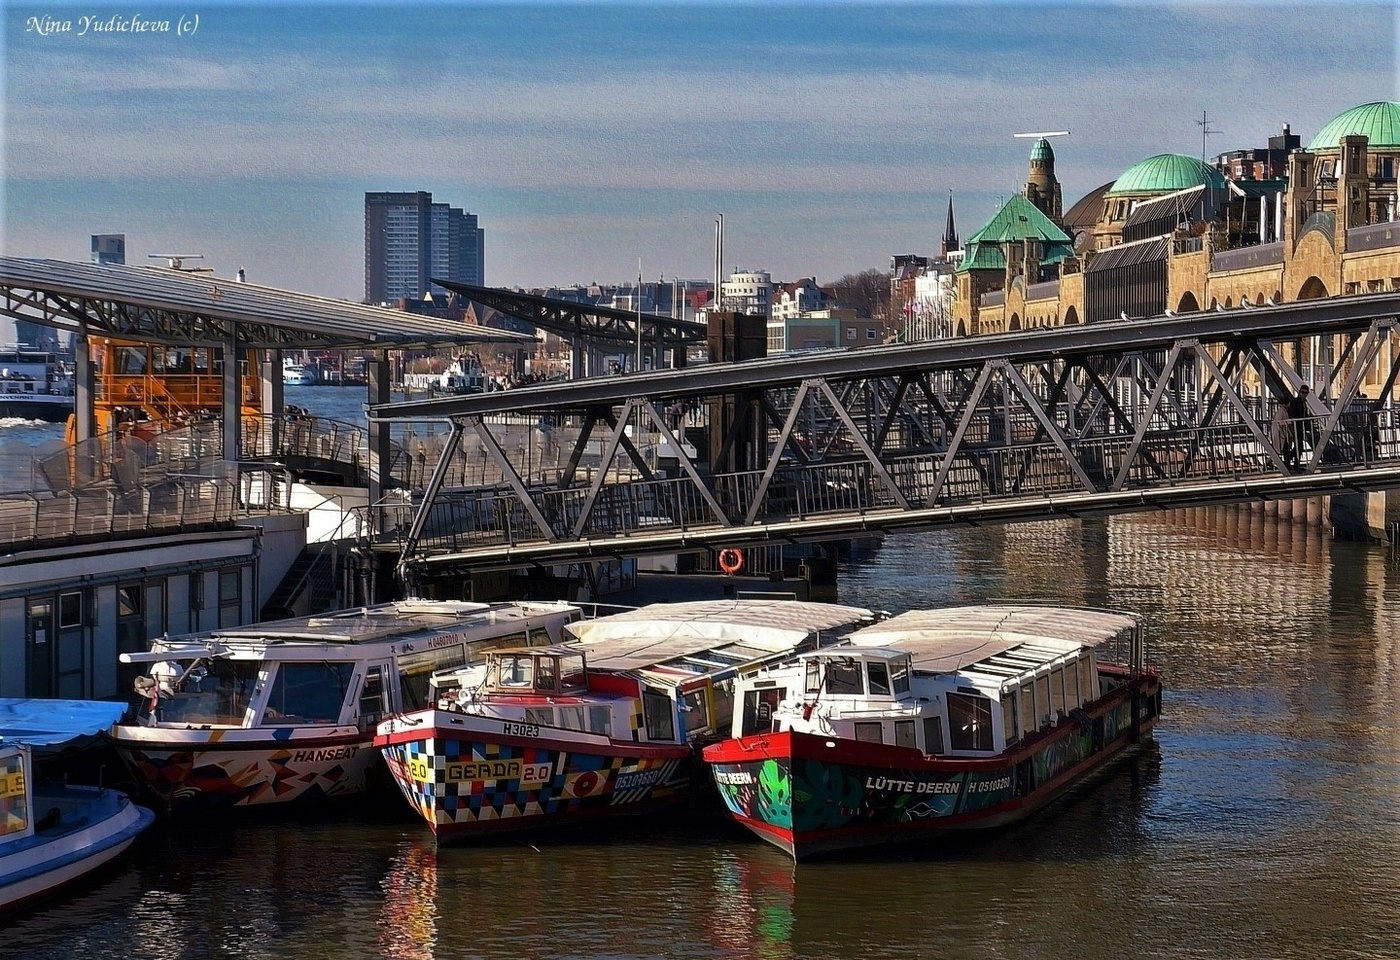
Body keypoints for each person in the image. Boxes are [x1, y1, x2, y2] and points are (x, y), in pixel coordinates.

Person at [1285, 384, 1313, 471]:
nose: (1304, 394)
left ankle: (1293, 462)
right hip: (1296, 426)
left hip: (1300, 427)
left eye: (1305, 393)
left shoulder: (1303, 403)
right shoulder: (1295, 401)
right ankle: (1291, 461)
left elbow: (1304, 414)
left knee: (1299, 446)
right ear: (1299, 392)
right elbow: (1292, 414)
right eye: (1302, 392)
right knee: (1299, 446)